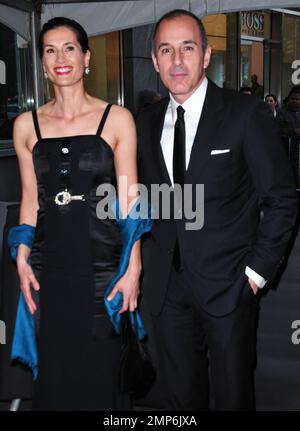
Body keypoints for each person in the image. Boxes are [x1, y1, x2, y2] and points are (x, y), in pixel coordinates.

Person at [137, 9, 298, 410]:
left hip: (230, 288)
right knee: (181, 401)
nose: (177, 61)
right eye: (166, 50)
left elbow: (281, 198)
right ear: (155, 61)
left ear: (206, 55)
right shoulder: (144, 123)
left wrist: (255, 277)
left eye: (187, 48)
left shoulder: (244, 113)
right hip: (167, 294)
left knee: (233, 397)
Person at [12, 17, 143, 411]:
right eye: (50, 50)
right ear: (42, 63)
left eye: (69, 48)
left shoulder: (117, 119)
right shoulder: (26, 126)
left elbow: (130, 200)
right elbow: (31, 198)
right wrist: (20, 254)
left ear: (87, 58)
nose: (60, 58)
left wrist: (133, 269)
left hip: (103, 268)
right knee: (56, 374)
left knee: (101, 374)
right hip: (49, 267)